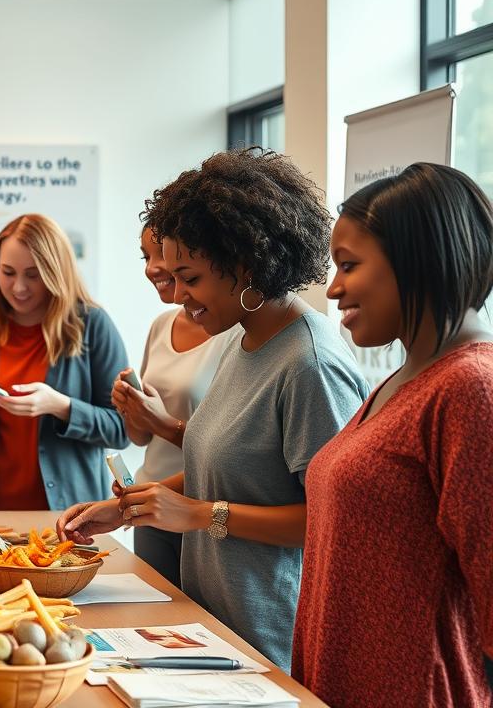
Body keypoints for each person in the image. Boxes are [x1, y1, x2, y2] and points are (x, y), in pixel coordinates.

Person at [57, 147, 369, 670]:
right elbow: (224, 466)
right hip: (215, 626)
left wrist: (201, 515)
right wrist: (136, 505)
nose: (178, 294)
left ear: (244, 265)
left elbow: (334, 518)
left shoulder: (309, 365)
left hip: (268, 637)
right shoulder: (238, 341)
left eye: (190, 277)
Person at [293, 163, 493, 706]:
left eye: (349, 265)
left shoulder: (470, 388)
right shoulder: (404, 379)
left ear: (417, 260)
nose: (333, 289)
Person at [0, 213, 128, 511]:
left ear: (56, 272)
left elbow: (123, 429)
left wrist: (61, 406)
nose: (18, 287)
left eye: (33, 274)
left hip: (71, 516)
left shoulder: (92, 324)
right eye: (7, 272)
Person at [110, 224, 238, 587]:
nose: (152, 267)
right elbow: (140, 438)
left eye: (161, 255)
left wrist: (162, 421)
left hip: (198, 505)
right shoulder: (161, 325)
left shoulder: (233, 333)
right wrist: (132, 409)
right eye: (145, 255)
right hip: (151, 503)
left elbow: (226, 452)